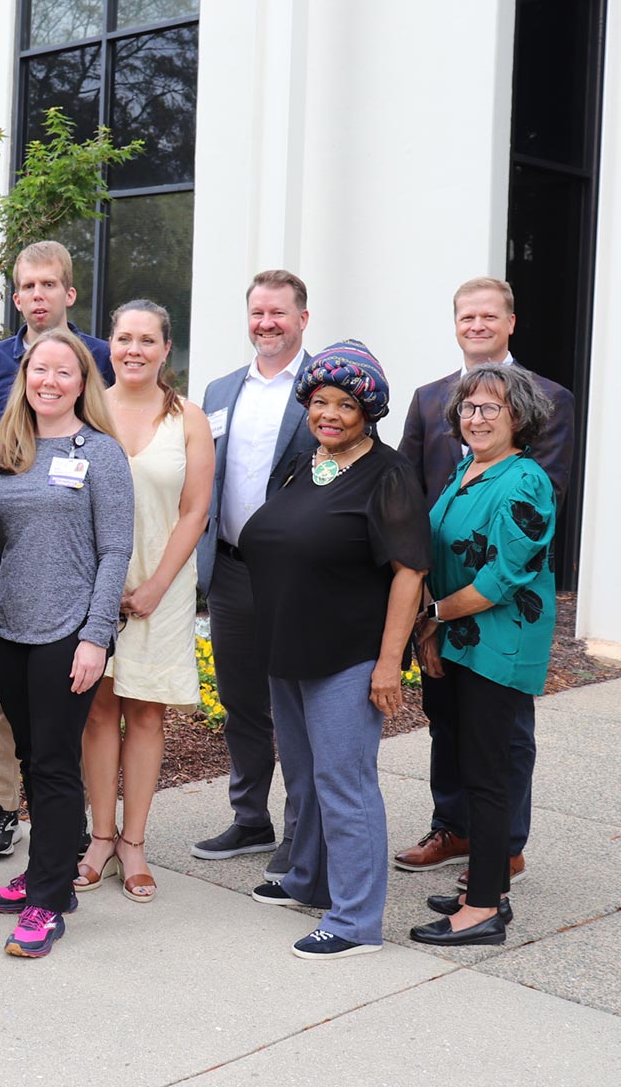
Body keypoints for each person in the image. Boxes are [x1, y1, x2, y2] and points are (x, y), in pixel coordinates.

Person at [243, 342, 430, 959]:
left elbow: (408, 573)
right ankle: (308, 878)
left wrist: (387, 665)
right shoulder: (304, 464)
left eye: (344, 404)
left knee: (345, 784)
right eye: (319, 401)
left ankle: (354, 922)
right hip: (288, 650)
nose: (329, 413)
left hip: (347, 657)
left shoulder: (390, 473)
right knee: (304, 779)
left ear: (368, 410)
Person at [392, 277, 575, 887]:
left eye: (488, 315)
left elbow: (533, 513)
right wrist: (415, 593)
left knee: (501, 740)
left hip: (492, 613)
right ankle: (457, 830)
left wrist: (440, 608)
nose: (477, 325)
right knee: (449, 726)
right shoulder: (429, 400)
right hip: (441, 605)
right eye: (466, 315)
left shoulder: (548, 401)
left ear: (510, 322)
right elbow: (412, 497)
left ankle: (501, 850)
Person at [0, 328, 133, 959]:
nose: (50, 381)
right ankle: (52, 874)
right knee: (34, 755)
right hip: (7, 630)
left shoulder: (102, 454)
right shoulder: (10, 448)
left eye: (64, 372)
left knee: (56, 763)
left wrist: (97, 636)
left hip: (68, 632)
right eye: (41, 370)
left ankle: (45, 901)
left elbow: (115, 549)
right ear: (25, 377)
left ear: (82, 382)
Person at [0, 241, 114, 860]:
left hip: (73, 561)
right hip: (13, 540)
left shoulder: (98, 357)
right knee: (11, 708)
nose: (37, 296)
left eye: (49, 285)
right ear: (17, 294)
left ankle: (67, 825)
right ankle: (6, 809)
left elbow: (107, 454)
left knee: (70, 715)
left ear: (69, 293)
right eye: (27, 286)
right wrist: (19, 494)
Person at [408, 362, 557, 947]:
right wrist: (431, 626)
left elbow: (504, 576)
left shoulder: (525, 480)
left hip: (498, 647)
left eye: (490, 408)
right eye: (469, 407)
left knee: (490, 777)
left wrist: (432, 617)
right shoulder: (465, 470)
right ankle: (486, 888)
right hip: (455, 641)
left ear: (518, 416)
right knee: (471, 769)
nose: (476, 417)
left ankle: (483, 912)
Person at [79, 301, 213, 903]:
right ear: (109, 343)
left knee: (147, 711)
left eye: (147, 340)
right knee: (99, 708)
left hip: (165, 580)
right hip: (90, 580)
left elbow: (196, 510)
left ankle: (134, 843)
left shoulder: (189, 417)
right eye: (124, 338)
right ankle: (100, 838)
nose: (134, 349)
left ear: (166, 349)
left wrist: (158, 583)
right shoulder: (86, 408)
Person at [191, 269, 318, 881]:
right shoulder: (219, 390)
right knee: (242, 700)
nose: (266, 323)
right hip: (232, 571)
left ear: (302, 319)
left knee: (294, 705)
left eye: (278, 313)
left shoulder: (323, 389)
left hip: (297, 580)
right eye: (257, 313)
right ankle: (250, 818)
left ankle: (300, 833)